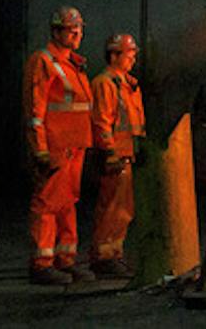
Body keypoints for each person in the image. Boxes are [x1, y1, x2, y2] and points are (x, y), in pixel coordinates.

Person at [24, 6, 94, 285]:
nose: (76, 33)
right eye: (70, 29)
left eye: (79, 29)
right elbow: (35, 110)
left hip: (75, 146)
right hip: (56, 146)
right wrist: (39, 148)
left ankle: (65, 261)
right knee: (47, 204)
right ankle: (41, 264)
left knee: (67, 205)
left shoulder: (73, 64)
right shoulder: (44, 61)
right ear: (56, 32)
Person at [89, 33, 145, 279]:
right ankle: (103, 257)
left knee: (123, 208)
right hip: (114, 156)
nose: (133, 57)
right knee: (112, 207)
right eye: (129, 53)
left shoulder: (128, 84)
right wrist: (109, 152)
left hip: (126, 154)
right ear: (114, 55)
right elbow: (102, 121)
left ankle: (114, 253)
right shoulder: (106, 83)